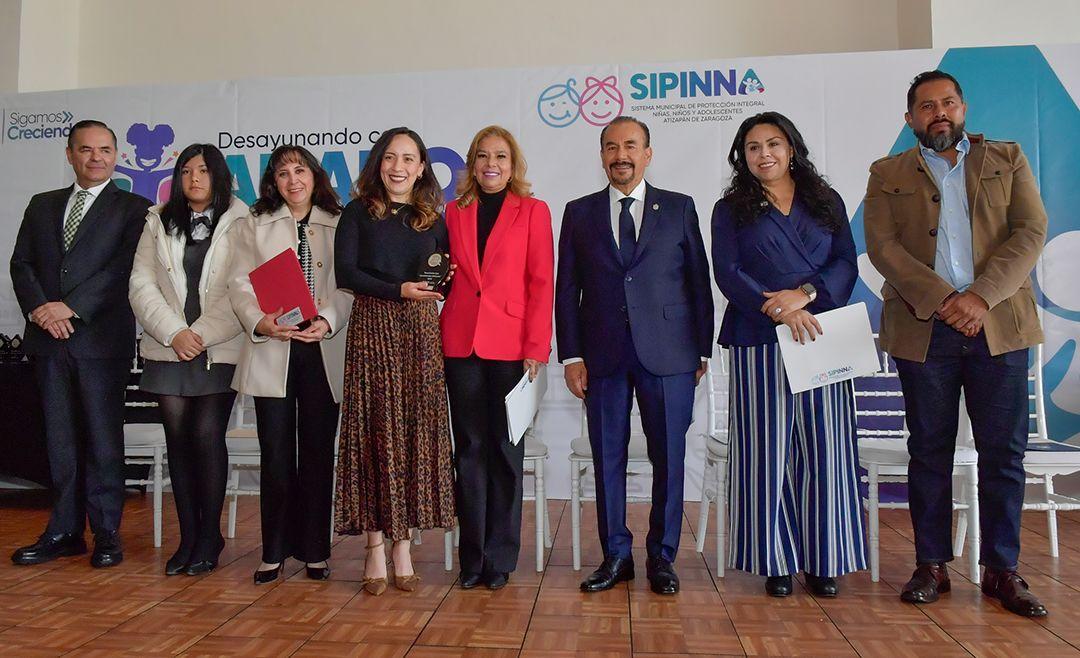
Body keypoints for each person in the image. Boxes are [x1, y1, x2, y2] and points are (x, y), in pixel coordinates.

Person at [864, 70, 1048, 617]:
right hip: (924, 327)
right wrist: (946, 299)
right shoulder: (887, 172)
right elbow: (883, 247)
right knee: (929, 450)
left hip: (999, 325)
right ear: (910, 119)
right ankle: (931, 565)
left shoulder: (1007, 158)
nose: (938, 112)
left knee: (1003, 453)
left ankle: (1002, 570)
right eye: (926, 106)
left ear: (963, 108)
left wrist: (980, 297)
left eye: (947, 102)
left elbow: (1030, 232)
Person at [555, 116, 713, 595]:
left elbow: (698, 281)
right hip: (601, 356)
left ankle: (662, 557)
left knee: (669, 457)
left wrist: (701, 350)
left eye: (629, 145)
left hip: (670, 354)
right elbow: (567, 289)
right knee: (608, 457)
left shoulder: (679, 207)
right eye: (610, 146)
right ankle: (616, 555)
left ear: (648, 153)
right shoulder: (578, 212)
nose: (620, 155)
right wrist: (571, 355)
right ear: (601, 155)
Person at [711, 111, 867, 598]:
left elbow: (846, 261)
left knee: (827, 449)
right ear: (743, 156)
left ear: (791, 148)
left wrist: (805, 296)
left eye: (773, 144)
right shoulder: (730, 208)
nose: (765, 154)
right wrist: (778, 309)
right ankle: (773, 560)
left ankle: (825, 559)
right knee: (765, 452)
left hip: (821, 332)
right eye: (753, 147)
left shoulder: (826, 200)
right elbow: (728, 271)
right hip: (759, 335)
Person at [9, 119, 152, 568]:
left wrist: (69, 308)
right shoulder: (42, 204)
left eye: (105, 150)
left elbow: (123, 269)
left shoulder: (136, 209)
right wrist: (40, 309)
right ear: (70, 154)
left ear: (117, 156)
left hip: (100, 342)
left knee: (103, 440)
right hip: (48, 342)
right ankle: (64, 531)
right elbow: (21, 264)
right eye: (87, 149)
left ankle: (107, 532)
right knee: (59, 442)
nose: (96, 158)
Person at [334, 127, 456, 596]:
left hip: (421, 333)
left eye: (408, 158)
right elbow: (347, 273)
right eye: (390, 157)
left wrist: (442, 281)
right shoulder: (357, 212)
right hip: (373, 326)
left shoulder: (433, 219)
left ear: (422, 167)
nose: (398, 167)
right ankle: (373, 546)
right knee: (374, 432)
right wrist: (397, 290)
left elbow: (441, 277)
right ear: (378, 164)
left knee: (412, 432)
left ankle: (403, 546)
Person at [227, 145, 352, 585]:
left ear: (316, 176)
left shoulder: (340, 222)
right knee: (276, 455)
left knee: (317, 454)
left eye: (301, 171)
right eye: (283, 174)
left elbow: (349, 285)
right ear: (272, 183)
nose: (293, 180)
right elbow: (238, 283)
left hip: (322, 350)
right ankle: (273, 552)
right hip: (272, 348)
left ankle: (316, 551)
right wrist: (260, 321)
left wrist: (328, 319)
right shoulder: (254, 223)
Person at [440, 125, 554, 590]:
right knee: (469, 450)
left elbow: (541, 282)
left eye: (500, 156)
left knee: (506, 451)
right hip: (461, 344)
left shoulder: (533, 210)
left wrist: (536, 347)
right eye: (483, 156)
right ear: (471, 164)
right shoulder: (453, 211)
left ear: (513, 165)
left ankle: (500, 559)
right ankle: (472, 558)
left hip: (512, 347)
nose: (491, 164)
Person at [129, 144, 247, 575]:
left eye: (203, 170)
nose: (194, 178)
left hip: (218, 348)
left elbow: (244, 289)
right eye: (185, 171)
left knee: (206, 436)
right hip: (168, 348)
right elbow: (141, 283)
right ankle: (189, 537)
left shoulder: (242, 220)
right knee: (178, 443)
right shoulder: (157, 220)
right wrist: (173, 332)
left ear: (219, 176)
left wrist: (199, 335)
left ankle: (210, 536)